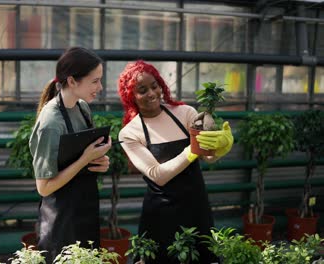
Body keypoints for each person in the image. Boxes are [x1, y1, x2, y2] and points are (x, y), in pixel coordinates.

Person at [117, 60, 233, 264]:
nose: (152, 93)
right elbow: (157, 175)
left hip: (196, 207)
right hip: (161, 215)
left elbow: (208, 156)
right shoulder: (130, 133)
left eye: (154, 86)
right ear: (131, 96)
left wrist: (222, 146)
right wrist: (191, 150)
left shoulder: (185, 113)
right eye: (142, 90)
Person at [29, 46, 112, 263]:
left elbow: (81, 160)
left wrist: (99, 161)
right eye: (94, 81)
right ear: (73, 81)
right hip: (61, 221)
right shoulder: (50, 123)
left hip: (85, 212)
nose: (100, 87)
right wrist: (85, 159)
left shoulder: (83, 107)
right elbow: (44, 187)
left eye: (100, 80)